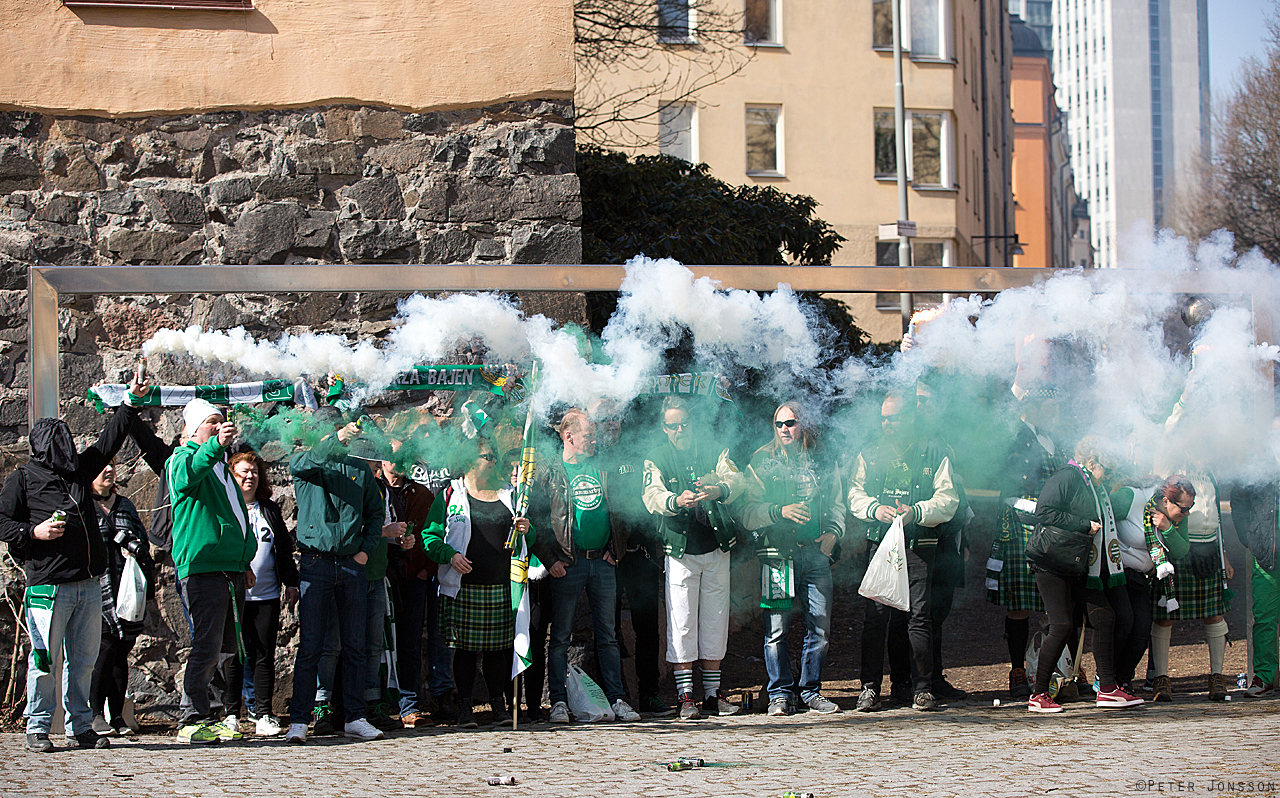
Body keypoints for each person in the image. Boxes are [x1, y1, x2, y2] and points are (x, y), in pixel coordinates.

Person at [0, 393, 139, 752]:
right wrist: (33, 532)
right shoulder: (23, 480)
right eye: (59, 441)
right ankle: (38, 726)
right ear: (44, 447)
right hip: (48, 587)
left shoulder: (79, 471)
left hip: (88, 585)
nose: (67, 447)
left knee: (83, 662)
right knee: (45, 660)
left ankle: (81, 726)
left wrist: (129, 405)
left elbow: (109, 440)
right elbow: (3, 521)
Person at [849, 391, 959, 713]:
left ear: (910, 417)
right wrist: (874, 508)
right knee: (875, 618)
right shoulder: (871, 451)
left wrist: (918, 512)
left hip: (919, 546)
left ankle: (922, 689)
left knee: (919, 618)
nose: (886, 424)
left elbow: (948, 499)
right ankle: (869, 688)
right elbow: (854, 492)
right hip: (880, 544)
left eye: (893, 418)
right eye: (883, 418)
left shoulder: (934, 450)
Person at [531, 408, 641, 724]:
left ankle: (617, 699)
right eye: (588, 435)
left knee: (608, 635)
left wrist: (616, 549)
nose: (595, 440)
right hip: (568, 564)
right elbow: (535, 519)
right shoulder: (551, 472)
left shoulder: (604, 467)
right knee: (559, 637)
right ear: (569, 436)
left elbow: (623, 510)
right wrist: (550, 560)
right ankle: (558, 702)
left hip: (602, 562)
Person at [283, 410, 386, 744]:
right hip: (316, 563)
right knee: (311, 646)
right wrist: (335, 438)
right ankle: (299, 720)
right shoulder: (305, 461)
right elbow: (308, 461)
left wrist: (364, 551)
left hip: (351, 565)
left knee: (355, 646)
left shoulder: (359, 469)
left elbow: (375, 514)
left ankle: (355, 717)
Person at [642, 396, 747, 720]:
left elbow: (737, 479)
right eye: (673, 425)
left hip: (716, 548)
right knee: (682, 622)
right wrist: (675, 500)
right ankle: (686, 697)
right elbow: (651, 495)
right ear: (664, 428)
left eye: (684, 424)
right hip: (681, 552)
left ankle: (713, 695)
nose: (680, 430)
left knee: (716, 620)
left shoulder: (714, 450)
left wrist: (719, 490)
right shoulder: (656, 457)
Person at [740, 401, 846, 716]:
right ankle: (780, 694)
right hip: (777, 555)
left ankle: (810, 691)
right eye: (779, 424)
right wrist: (779, 511)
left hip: (815, 553)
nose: (784, 429)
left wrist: (834, 532)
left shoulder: (823, 459)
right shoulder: (762, 460)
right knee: (776, 631)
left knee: (820, 628)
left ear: (804, 425)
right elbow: (746, 512)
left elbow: (837, 502)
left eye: (791, 423)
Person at [1025, 438, 1141, 713]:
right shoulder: (1067, 476)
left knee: (1104, 617)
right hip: (1052, 563)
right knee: (1062, 626)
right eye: (1106, 471)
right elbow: (1044, 512)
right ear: (1091, 463)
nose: (1108, 477)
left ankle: (1108, 689)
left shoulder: (1092, 485)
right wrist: (1083, 524)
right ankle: (1038, 695)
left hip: (1078, 565)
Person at [167, 398, 258, 744]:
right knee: (206, 645)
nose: (220, 427)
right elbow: (187, 475)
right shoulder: (182, 458)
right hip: (202, 567)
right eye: (211, 422)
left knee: (226, 648)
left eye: (222, 421)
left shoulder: (220, 467)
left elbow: (236, 514)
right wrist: (214, 446)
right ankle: (191, 718)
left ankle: (213, 715)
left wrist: (243, 560)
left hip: (229, 569)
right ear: (193, 429)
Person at [422, 438, 529, 728]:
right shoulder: (450, 494)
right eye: (487, 456)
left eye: (494, 455)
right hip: (464, 587)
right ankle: (465, 707)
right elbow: (429, 538)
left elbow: (528, 537)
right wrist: (450, 555)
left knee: (497, 651)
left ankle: (498, 706)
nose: (493, 461)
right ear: (470, 460)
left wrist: (526, 528)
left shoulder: (509, 494)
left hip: (501, 586)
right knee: (465, 652)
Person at [593, 398, 671, 717]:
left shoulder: (639, 452)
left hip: (641, 555)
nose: (611, 424)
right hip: (606, 558)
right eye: (604, 419)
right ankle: (615, 695)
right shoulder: (590, 458)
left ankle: (649, 694)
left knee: (647, 628)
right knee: (608, 630)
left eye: (615, 418)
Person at [988, 392, 1064, 698]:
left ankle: (1061, 668)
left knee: (1058, 601)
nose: (1055, 414)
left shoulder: (1055, 439)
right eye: (1050, 408)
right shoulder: (1013, 438)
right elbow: (1004, 484)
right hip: (1021, 525)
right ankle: (1018, 669)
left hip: (1055, 527)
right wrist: (1041, 510)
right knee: (1019, 603)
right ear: (1032, 407)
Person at [227, 451, 299, 736]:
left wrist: (291, 582)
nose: (250, 476)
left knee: (263, 655)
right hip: (235, 595)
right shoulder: (227, 506)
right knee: (234, 655)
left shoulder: (268, 509)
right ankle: (231, 715)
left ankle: (263, 714)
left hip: (266, 595)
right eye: (244, 471)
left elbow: (283, 547)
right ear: (232, 476)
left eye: (255, 472)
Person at [1148, 468, 1233, 702]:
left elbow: (1216, 518)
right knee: (1165, 616)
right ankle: (1161, 678)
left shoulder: (1211, 472)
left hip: (1209, 548)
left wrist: (1223, 555)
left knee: (1214, 614)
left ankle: (1217, 677)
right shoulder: (1174, 467)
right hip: (1178, 544)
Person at [89, 458, 155, 737]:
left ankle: (116, 716)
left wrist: (135, 549)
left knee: (120, 653)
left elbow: (143, 543)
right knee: (104, 650)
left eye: (111, 466)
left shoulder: (125, 505)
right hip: (97, 591)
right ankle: (94, 714)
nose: (108, 470)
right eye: (101, 466)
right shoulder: (84, 505)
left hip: (126, 591)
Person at [1109, 475, 1194, 692]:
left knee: (1141, 631)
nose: (1187, 513)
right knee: (1124, 623)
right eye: (1184, 508)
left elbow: (1181, 550)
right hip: (1117, 574)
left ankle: (1123, 680)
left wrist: (1167, 528)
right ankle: (1107, 678)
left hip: (1142, 578)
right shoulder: (1132, 498)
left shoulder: (1177, 518)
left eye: (1190, 508)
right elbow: (1100, 515)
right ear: (1166, 501)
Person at [378, 453, 436, 728]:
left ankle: (409, 705)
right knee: (376, 643)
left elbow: (433, 532)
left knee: (410, 642)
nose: (397, 462)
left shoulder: (421, 494)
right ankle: (377, 705)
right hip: (381, 575)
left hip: (413, 577)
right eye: (392, 456)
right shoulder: (374, 489)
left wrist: (426, 570)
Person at [1229, 419, 1280, 698]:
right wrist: (1248, 537)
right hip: (1267, 554)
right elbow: (1238, 501)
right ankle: (1264, 676)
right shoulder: (1255, 462)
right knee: (1264, 617)